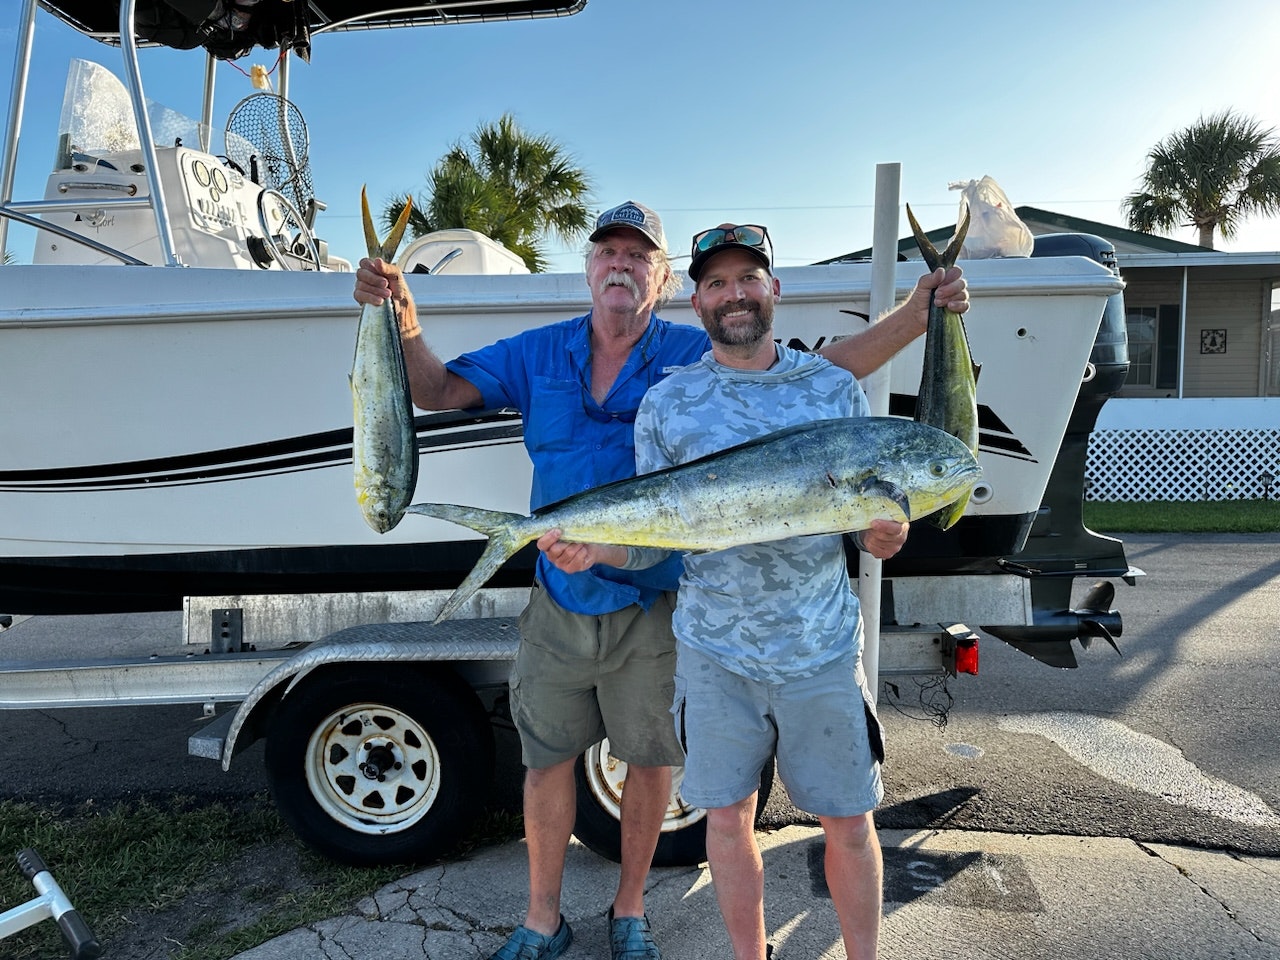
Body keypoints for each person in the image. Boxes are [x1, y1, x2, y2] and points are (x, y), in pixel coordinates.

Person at [353, 204, 965, 960]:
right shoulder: (596, 369)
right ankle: (554, 921)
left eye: (639, 257)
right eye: (607, 252)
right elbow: (442, 392)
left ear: (669, 281)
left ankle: (638, 911)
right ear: (595, 270)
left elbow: (829, 373)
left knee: (695, 775)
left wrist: (921, 311)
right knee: (578, 771)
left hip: (733, 625)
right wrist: (401, 314)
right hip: (613, 611)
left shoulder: (756, 368)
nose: (621, 265)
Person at [541, 223, 911, 960]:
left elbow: (873, 511)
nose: (733, 294)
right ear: (694, 298)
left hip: (820, 648)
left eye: (748, 278)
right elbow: (655, 535)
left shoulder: (835, 389)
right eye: (716, 282)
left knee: (848, 819)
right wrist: (597, 549)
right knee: (725, 819)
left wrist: (883, 536)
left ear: (775, 289)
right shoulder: (668, 405)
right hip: (714, 653)